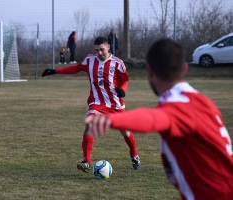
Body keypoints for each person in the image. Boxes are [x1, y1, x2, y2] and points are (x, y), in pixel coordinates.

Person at [84, 38, 233, 199]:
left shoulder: (177, 104)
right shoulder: (203, 102)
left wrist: (113, 120)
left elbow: (153, 119)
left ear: (150, 72)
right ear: (185, 68)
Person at [42, 36, 141, 173]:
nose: (99, 53)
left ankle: (134, 155)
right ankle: (86, 161)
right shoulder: (90, 60)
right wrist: (55, 71)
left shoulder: (117, 63)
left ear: (108, 47)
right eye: (96, 50)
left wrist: (122, 90)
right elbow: (76, 68)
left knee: (125, 132)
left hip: (115, 104)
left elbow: (124, 81)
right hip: (97, 102)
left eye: (101, 50)